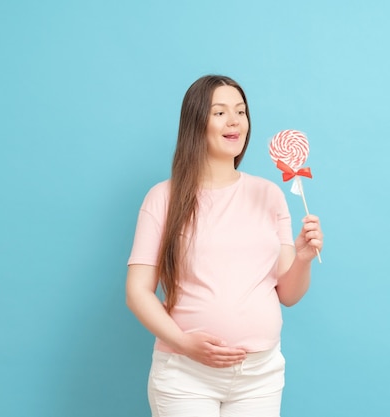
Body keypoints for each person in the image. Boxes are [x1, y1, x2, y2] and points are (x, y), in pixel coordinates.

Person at [126, 74, 323, 417]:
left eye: (241, 111)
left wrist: (303, 257)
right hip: (186, 374)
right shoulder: (163, 198)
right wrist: (183, 343)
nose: (234, 121)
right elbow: (137, 292)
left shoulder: (269, 194)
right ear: (195, 122)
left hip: (260, 376)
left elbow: (288, 294)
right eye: (219, 113)